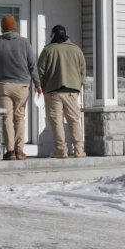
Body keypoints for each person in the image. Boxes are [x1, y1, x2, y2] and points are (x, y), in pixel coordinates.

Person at [0, 14, 41, 161]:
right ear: (15, 26)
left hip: (4, 85)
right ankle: (20, 151)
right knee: (19, 117)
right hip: (22, 86)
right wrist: (37, 84)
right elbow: (32, 65)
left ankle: (10, 151)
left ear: (2, 27)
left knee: (7, 118)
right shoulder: (25, 43)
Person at [37, 25, 87, 158]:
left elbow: (39, 71)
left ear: (53, 35)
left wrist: (42, 86)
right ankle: (79, 150)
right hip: (72, 91)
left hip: (53, 91)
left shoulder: (48, 50)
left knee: (56, 121)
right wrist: (78, 86)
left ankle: (60, 150)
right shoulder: (76, 49)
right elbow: (83, 71)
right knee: (74, 120)